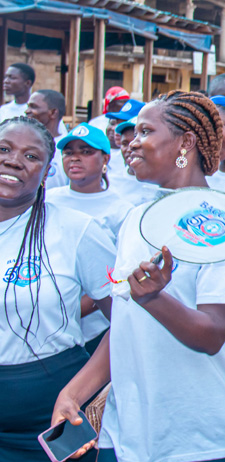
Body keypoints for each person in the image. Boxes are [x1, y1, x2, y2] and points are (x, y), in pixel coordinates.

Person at [53, 90, 225, 462]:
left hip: (211, 435)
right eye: (131, 133)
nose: (130, 142)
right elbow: (126, 324)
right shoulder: (137, 218)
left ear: (185, 143)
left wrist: (154, 297)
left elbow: (211, 334)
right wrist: (76, 392)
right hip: (133, 431)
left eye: (146, 131)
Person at [0, 116, 116, 462]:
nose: (14, 161)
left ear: (48, 170)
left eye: (31, 156)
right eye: (5, 149)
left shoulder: (76, 231)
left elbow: (130, 322)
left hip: (50, 416)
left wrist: (79, 392)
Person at [49, 123, 135, 352]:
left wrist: (68, 311)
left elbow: (118, 276)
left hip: (95, 330)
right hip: (44, 323)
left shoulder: (122, 211)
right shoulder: (47, 201)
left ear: (105, 158)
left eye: (86, 152)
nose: (75, 158)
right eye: (69, 152)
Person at [24, 90, 70, 189]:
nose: (27, 111)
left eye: (33, 107)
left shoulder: (68, 147)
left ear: (53, 112)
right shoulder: (22, 142)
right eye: (28, 106)